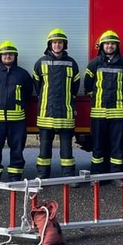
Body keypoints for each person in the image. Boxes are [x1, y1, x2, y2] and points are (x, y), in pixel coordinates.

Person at [0, 40, 34, 182]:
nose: (7, 56)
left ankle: (15, 175)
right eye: (5, 54)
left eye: (10, 54)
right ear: (0, 56)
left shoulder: (23, 74)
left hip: (17, 121)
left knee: (17, 149)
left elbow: (28, 93)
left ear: (15, 56)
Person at [84, 30, 123, 182]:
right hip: (99, 112)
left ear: (117, 46)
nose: (110, 46)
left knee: (117, 146)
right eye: (107, 43)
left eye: (112, 44)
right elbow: (87, 85)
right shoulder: (94, 63)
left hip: (118, 113)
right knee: (98, 146)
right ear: (102, 46)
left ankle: (115, 176)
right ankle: (98, 177)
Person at [34, 29, 80, 179]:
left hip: (65, 112)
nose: (57, 45)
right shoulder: (41, 62)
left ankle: (68, 175)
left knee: (67, 149)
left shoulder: (72, 63)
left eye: (60, 42)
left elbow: (75, 85)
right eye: (54, 42)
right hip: (46, 112)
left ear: (64, 45)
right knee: (44, 148)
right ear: (50, 45)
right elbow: (37, 85)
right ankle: (42, 175)